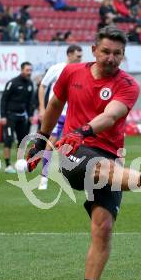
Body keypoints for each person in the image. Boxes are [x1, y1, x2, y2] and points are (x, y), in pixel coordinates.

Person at [25, 26, 141, 280]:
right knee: (101, 168)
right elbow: (54, 104)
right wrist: (41, 139)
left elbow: (111, 115)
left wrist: (82, 129)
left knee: (103, 229)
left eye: (118, 53)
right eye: (106, 51)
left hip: (106, 155)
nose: (111, 58)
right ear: (93, 50)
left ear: (124, 55)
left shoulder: (128, 85)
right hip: (74, 152)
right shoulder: (71, 73)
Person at [37, 44, 83, 190]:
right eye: (78, 56)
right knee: (51, 142)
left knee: (75, 144)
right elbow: (43, 85)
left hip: (73, 113)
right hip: (57, 112)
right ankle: (43, 178)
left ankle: (71, 176)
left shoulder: (82, 70)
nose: (80, 59)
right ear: (69, 55)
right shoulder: (56, 68)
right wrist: (42, 108)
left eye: (81, 56)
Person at [0, 62, 35, 173]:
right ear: (22, 70)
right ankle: (7, 165)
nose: (29, 72)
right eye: (27, 70)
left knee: (22, 141)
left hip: (22, 117)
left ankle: (20, 164)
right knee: (9, 139)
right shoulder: (12, 83)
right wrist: (3, 116)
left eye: (30, 70)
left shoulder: (30, 84)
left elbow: (30, 102)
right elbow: (3, 99)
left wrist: (30, 115)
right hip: (10, 116)